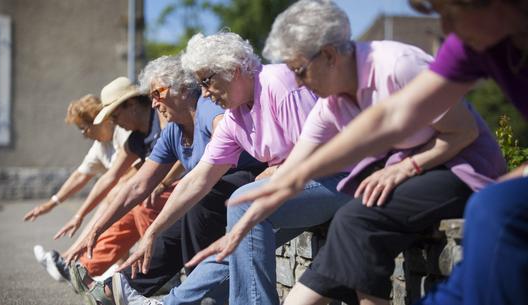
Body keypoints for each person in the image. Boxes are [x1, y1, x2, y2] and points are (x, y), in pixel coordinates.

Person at [213, 0, 528, 304]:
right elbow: (300, 163)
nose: (444, 26)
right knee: (357, 216)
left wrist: (408, 167)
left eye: (300, 69)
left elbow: (460, 131)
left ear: (329, 56)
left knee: (362, 217)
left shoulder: (398, 65)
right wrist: (253, 210)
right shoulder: (331, 104)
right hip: (413, 171)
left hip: (460, 164)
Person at [112, 31, 352, 305]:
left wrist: (273, 173)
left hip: (341, 179)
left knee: (243, 203)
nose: (203, 92)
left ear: (234, 69)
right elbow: (198, 179)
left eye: (206, 81)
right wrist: (153, 231)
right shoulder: (234, 117)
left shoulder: (280, 84)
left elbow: (315, 156)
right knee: (237, 241)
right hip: (298, 188)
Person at [67, 55, 265, 305]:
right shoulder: (174, 130)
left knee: (194, 205)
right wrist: (96, 228)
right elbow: (138, 185)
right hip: (210, 188)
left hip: (249, 178)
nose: (154, 103)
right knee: (172, 229)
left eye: (157, 93)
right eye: (151, 96)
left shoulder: (208, 108)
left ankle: (201, 294)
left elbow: (226, 133)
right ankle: (119, 286)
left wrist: (152, 228)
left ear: (182, 88)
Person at [54, 77, 183, 303]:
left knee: (144, 204)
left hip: (186, 186)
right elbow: (110, 177)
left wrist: (162, 183)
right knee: (128, 213)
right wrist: (83, 219)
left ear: (131, 105)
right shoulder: (135, 139)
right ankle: (85, 267)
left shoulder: (163, 116)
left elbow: (183, 157)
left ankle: (158, 272)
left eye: (115, 115)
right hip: (161, 194)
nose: (114, 122)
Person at [24, 94, 131, 283]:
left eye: (83, 129)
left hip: (147, 192)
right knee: (114, 197)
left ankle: (71, 259)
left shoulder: (122, 131)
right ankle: (87, 263)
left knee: (113, 195)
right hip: (130, 198)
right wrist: (51, 203)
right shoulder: (100, 145)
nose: (83, 135)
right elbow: (81, 175)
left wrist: (80, 215)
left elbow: (125, 174)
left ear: (99, 121)